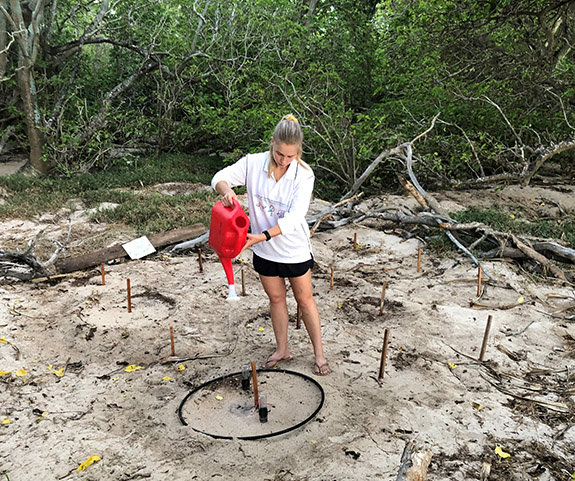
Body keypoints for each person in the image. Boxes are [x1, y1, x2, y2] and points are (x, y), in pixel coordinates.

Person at [211, 114, 329, 375]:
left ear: (298, 151)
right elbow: (219, 177)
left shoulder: (304, 175)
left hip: (293, 249)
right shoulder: (253, 163)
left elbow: (295, 217)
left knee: (304, 299)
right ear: (272, 143)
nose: (284, 160)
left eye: (290, 156)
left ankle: (319, 354)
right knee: (276, 299)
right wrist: (226, 191)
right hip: (264, 251)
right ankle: (282, 349)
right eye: (279, 154)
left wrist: (260, 236)